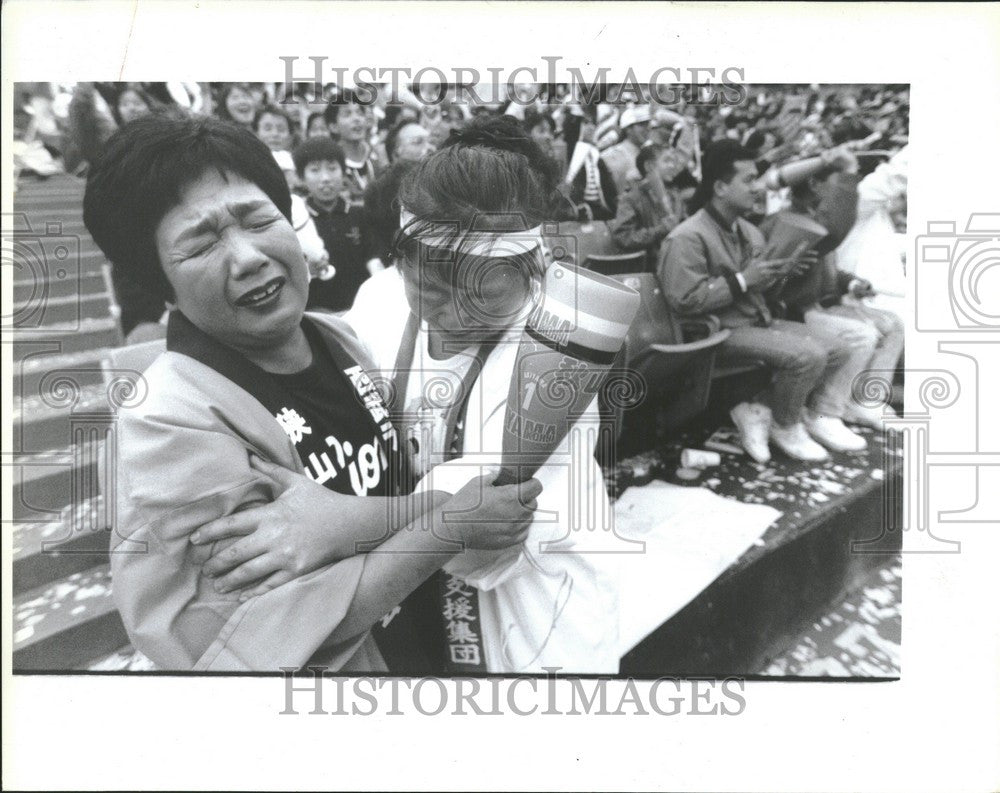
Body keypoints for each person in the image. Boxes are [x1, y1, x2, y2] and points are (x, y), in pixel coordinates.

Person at [82, 112, 539, 673]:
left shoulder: (338, 337)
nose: (248, 255)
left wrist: (354, 521)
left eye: (257, 218)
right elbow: (252, 631)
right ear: (159, 281)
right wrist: (446, 521)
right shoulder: (167, 422)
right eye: (200, 244)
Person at [345, 115, 624, 673]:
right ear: (400, 261)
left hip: (534, 618)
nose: (455, 316)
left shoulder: (557, 353)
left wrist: (323, 521)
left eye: (486, 297)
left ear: (532, 272)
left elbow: (482, 533)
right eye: (429, 291)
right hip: (414, 604)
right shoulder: (379, 302)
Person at [659, 139, 867, 463]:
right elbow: (684, 300)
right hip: (718, 331)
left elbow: (764, 292)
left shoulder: (748, 230)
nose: (759, 188)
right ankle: (786, 425)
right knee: (808, 355)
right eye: (748, 180)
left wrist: (785, 273)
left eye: (758, 179)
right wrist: (743, 280)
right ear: (721, 187)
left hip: (755, 321)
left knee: (839, 347)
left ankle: (762, 408)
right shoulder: (688, 236)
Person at [764, 152, 904, 430]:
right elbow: (831, 236)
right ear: (816, 185)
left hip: (817, 305)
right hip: (797, 311)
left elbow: (827, 266)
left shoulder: (810, 215)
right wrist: (848, 171)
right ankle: (825, 411)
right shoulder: (792, 222)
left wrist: (851, 283)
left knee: (894, 325)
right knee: (863, 335)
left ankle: (866, 400)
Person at [291, 136, 376, 311]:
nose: (325, 178)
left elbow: (373, 259)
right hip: (317, 313)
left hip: (361, 309)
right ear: (301, 177)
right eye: (315, 170)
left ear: (343, 172)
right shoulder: (298, 221)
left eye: (332, 169)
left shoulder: (359, 214)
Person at [611, 143, 688, 260]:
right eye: (667, 161)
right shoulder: (631, 198)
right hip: (647, 263)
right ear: (648, 166)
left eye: (674, 161)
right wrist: (659, 230)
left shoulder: (675, 196)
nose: (673, 166)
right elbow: (623, 236)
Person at [323, 91, 383, 201]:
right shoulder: (331, 163)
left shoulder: (378, 156)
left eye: (360, 113)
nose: (356, 119)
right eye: (347, 114)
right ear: (333, 127)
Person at [600, 105, 651, 194]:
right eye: (641, 125)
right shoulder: (613, 154)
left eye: (648, 124)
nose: (647, 129)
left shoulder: (650, 151)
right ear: (628, 129)